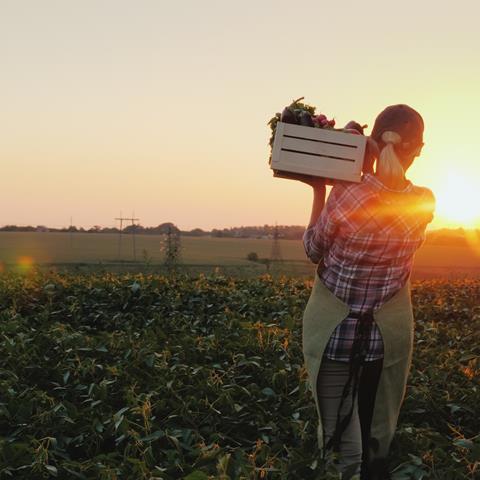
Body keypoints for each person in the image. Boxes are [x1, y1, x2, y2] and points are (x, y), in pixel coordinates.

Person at [298, 104, 435, 480]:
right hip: (383, 343)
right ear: (418, 149)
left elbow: (312, 250)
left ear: (372, 142)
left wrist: (320, 189)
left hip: (335, 339)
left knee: (341, 448)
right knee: (374, 440)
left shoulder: (346, 194)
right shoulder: (424, 203)